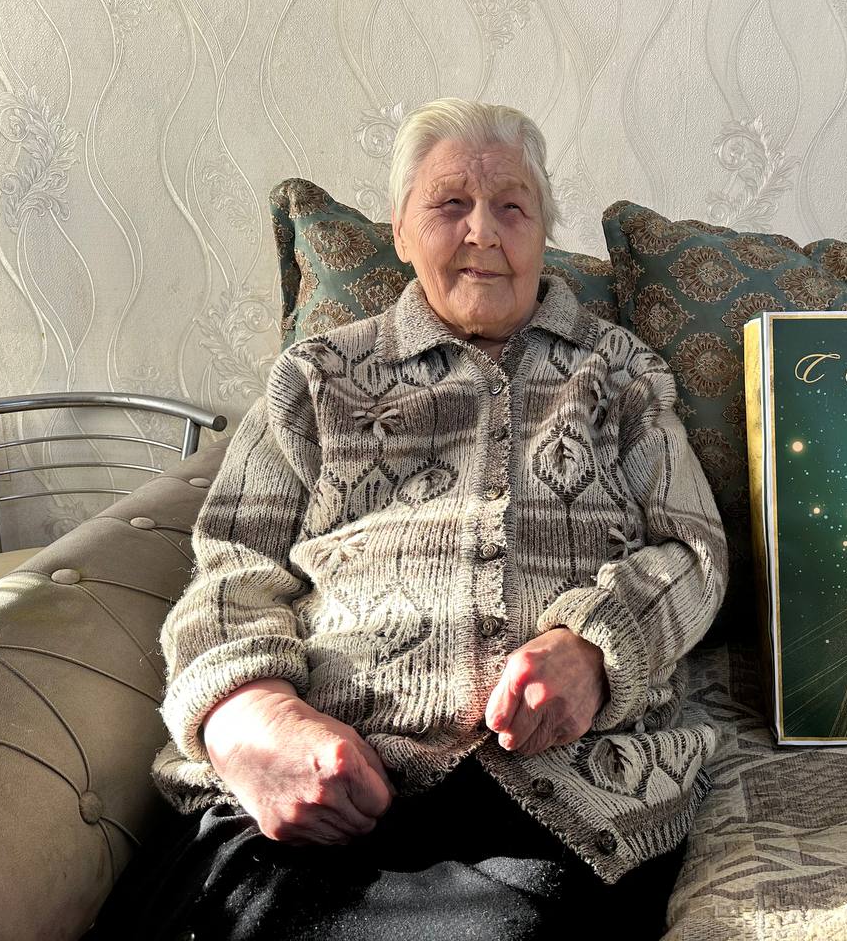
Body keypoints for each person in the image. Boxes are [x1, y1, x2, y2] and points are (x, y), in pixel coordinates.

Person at [90, 98, 728, 940]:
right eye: (450, 203)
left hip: (546, 788)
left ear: (543, 232)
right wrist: (255, 718)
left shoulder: (620, 375)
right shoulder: (314, 379)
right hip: (314, 767)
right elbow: (232, 570)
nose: (483, 232)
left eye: (512, 207)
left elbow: (693, 549)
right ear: (399, 230)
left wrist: (596, 650)